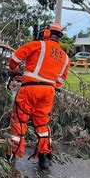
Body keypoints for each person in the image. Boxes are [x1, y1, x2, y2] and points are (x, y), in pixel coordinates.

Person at [6, 23, 70, 169]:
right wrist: (42, 81)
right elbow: (60, 80)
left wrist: (16, 72)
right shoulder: (65, 57)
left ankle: (11, 157)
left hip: (30, 90)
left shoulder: (37, 45)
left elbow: (14, 59)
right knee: (42, 123)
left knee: (20, 121)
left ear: (47, 33)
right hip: (49, 92)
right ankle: (44, 157)